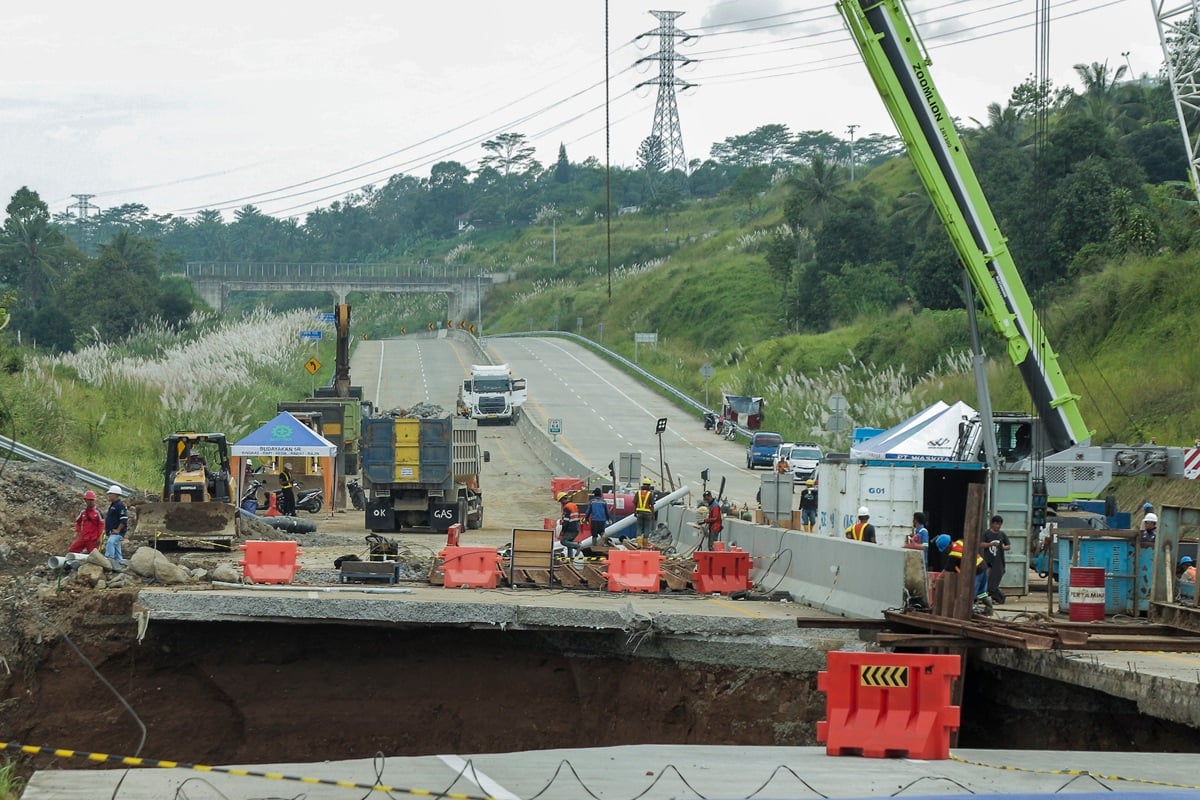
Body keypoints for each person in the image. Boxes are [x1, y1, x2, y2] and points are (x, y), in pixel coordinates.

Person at [947, 537, 991, 611]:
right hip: (983, 565)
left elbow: (947, 569)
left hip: (976, 570)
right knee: (981, 592)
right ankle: (989, 609)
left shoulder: (953, 553)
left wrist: (938, 579)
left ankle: (970, 610)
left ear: (947, 546)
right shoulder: (959, 542)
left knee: (971, 593)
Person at [982, 514, 1011, 604]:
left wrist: (1002, 547)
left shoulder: (1002, 535)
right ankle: (985, 597)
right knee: (986, 581)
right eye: (996, 524)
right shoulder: (986, 533)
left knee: (994, 581)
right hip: (988, 561)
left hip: (998, 562)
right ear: (992, 524)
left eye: (999, 524)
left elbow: (1008, 546)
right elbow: (981, 544)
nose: (998, 526)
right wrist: (990, 544)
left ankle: (996, 597)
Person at [68, 490, 104, 554]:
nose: (90, 502)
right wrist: (79, 532)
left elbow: (102, 525)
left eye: (92, 500)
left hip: (93, 540)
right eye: (88, 500)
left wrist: (99, 538)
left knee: (94, 555)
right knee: (72, 549)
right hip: (84, 537)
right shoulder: (83, 512)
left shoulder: (98, 512)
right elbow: (78, 522)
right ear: (85, 500)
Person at [103, 485, 129, 563]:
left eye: (110, 494)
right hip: (112, 532)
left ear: (115, 494)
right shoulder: (113, 505)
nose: (109, 495)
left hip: (117, 532)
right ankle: (119, 562)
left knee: (110, 542)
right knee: (117, 548)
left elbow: (124, 519)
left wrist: (118, 530)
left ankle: (109, 559)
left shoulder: (120, 505)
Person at [557, 492, 582, 559]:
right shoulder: (574, 505)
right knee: (569, 544)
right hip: (576, 527)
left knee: (563, 541)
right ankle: (570, 559)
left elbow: (566, 521)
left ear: (562, 500)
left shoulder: (567, 507)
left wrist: (563, 531)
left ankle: (577, 546)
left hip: (570, 528)